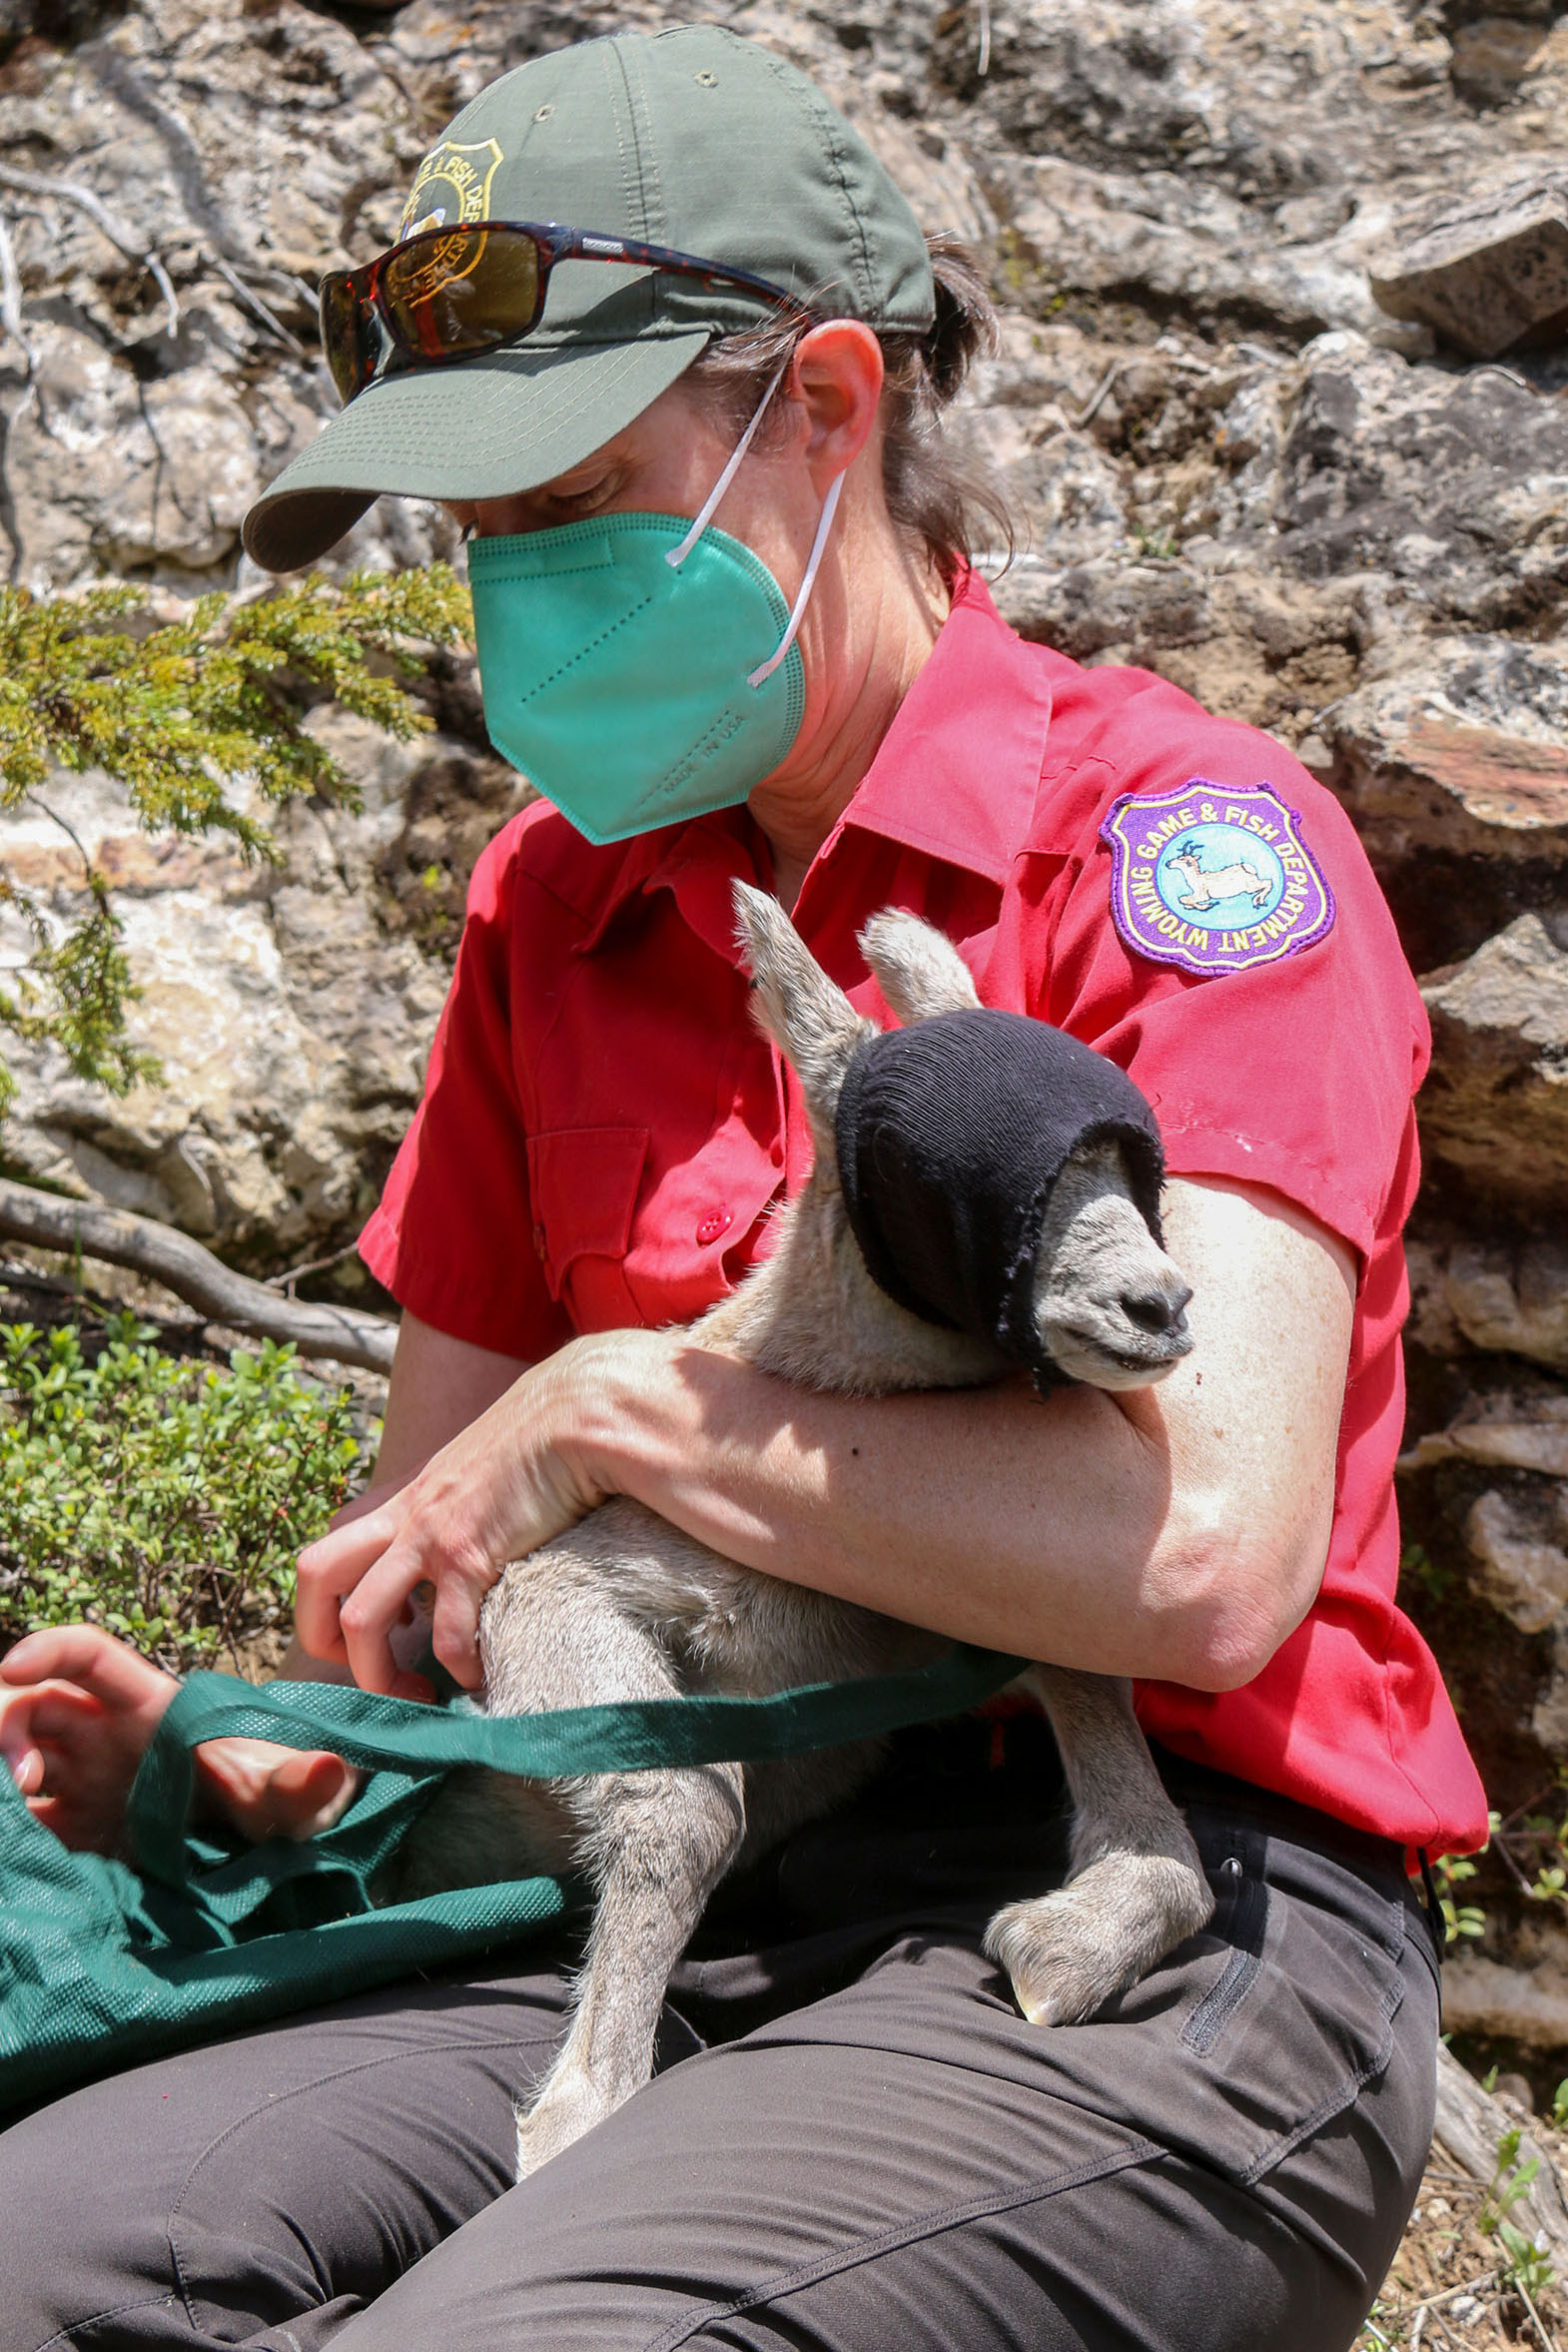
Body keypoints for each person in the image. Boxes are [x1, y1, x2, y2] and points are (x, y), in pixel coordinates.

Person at [0, 26, 1487, 2352]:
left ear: (820, 406)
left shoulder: (1180, 852)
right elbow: (432, 1580)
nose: (505, 593)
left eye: (566, 502)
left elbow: (1200, 1562)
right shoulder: (552, 907)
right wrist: (256, 1745)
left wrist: (624, 1401)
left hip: (1159, 1893)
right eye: (475, 541)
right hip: (651, 1863)